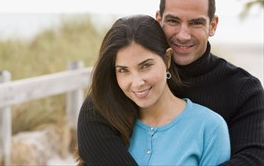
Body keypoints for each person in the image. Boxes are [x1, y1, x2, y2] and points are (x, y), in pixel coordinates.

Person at [77, 0, 264, 165]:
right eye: (173, 21)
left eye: (195, 23)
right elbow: (92, 129)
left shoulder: (243, 89)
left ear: (212, 25)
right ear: (159, 20)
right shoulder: (135, 79)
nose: (183, 35)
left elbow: (253, 159)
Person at [76, 14, 230, 165]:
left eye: (145, 66)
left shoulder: (209, 128)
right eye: (123, 70)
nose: (137, 83)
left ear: (167, 59)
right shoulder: (108, 124)